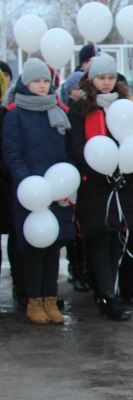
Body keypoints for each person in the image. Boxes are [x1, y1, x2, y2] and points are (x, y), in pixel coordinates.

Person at [67, 53, 133, 321]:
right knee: (100, 241)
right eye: (101, 77)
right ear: (92, 79)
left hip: (122, 185)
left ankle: (110, 290)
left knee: (117, 242)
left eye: (111, 77)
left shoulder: (124, 106)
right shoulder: (80, 109)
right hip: (94, 185)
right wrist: (99, 170)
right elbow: (76, 147)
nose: (107, 82)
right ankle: (106, 296)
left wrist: (125, 172)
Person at [2, 58, 74, 324]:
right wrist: (30, 185)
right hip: (30, 192)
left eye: (45, 81)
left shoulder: (57, 111)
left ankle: (50, 299)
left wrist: (66, 184)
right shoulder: (14, 115)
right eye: (36, 81)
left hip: (57, 189)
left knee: (54, 247)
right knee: (34, 247)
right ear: (26, 83)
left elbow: (66, 152)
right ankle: (33, 300)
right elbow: (13, 154)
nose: (42, 86)